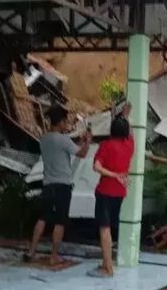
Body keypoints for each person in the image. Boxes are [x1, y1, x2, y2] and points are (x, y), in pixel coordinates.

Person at [25, 106, 92, 265]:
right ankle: (54, 255)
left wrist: (80, 143)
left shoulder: (45, 139)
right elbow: (81, 154)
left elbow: (65, 152)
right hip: (63, 186)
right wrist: (87, 142)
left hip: (48, 184)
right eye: (65, 121)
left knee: (42, 218)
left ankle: (31, 251)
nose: (67, 124)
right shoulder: (63, 140)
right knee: (60, 221)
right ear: (61, 122)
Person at [89, 115, 134, 277]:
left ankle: (108, 267)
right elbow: (132, 132)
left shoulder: (106, 146)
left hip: (105, 191)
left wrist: (113, 175)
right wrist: (127, 116)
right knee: (109, 227)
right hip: (120, 192)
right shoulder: (129, 145)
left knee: (104, 227)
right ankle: (105, 262)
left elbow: (96, 166)